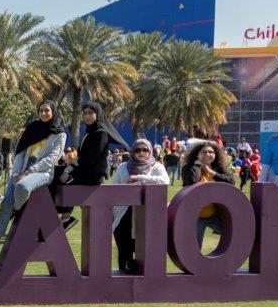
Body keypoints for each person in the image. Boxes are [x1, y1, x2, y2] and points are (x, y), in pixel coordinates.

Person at [0, 100, 66, 252]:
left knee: (22, 187)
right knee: (5, 205)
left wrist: (29, 172)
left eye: (47, 110)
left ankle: (16, 209)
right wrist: (16, 173)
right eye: (41, 110)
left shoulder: (59, 134)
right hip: (21, 169)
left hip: (42, 172)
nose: (44, 113)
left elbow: (52, 159)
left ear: (53, 111)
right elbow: (20, 153)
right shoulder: (32, 128)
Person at [57, 101, 126, 231]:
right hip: (84, 171)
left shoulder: (101, 133)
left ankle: (66, 218)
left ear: (98, 114)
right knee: (57, 174)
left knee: (67, 181)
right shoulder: (89, 132)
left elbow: (90, 158)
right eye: (85, 113)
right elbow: (82, 158)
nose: (87, 116)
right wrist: (69, 167)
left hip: (94, 174)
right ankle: (63, 217)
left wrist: (74, 162)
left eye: (91, 113)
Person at [110, 139, 170, 274]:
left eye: (145, 150)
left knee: (145, 250)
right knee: (124, 249)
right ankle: (123, 279)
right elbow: (114, 189)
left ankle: (145, 282)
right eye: (137, 150)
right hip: (123, 213)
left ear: (150, 151)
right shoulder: (123, 167)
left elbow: (164, 181)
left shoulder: (157, 167)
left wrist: (139, 178)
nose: (141, 153)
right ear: (133, 152)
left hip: (146, 214)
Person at [181, 140, 236, 247]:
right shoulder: (189, 167)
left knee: (233, 234)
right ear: (197, 154)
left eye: (211, 152)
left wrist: (212, 173)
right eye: (204, 152)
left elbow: (231, 181)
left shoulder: (218, 168)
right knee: (195, 248)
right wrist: (197, 164)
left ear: (215, 154)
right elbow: (191, 181)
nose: (208, 154)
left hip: (215, 214)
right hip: (196, 215)